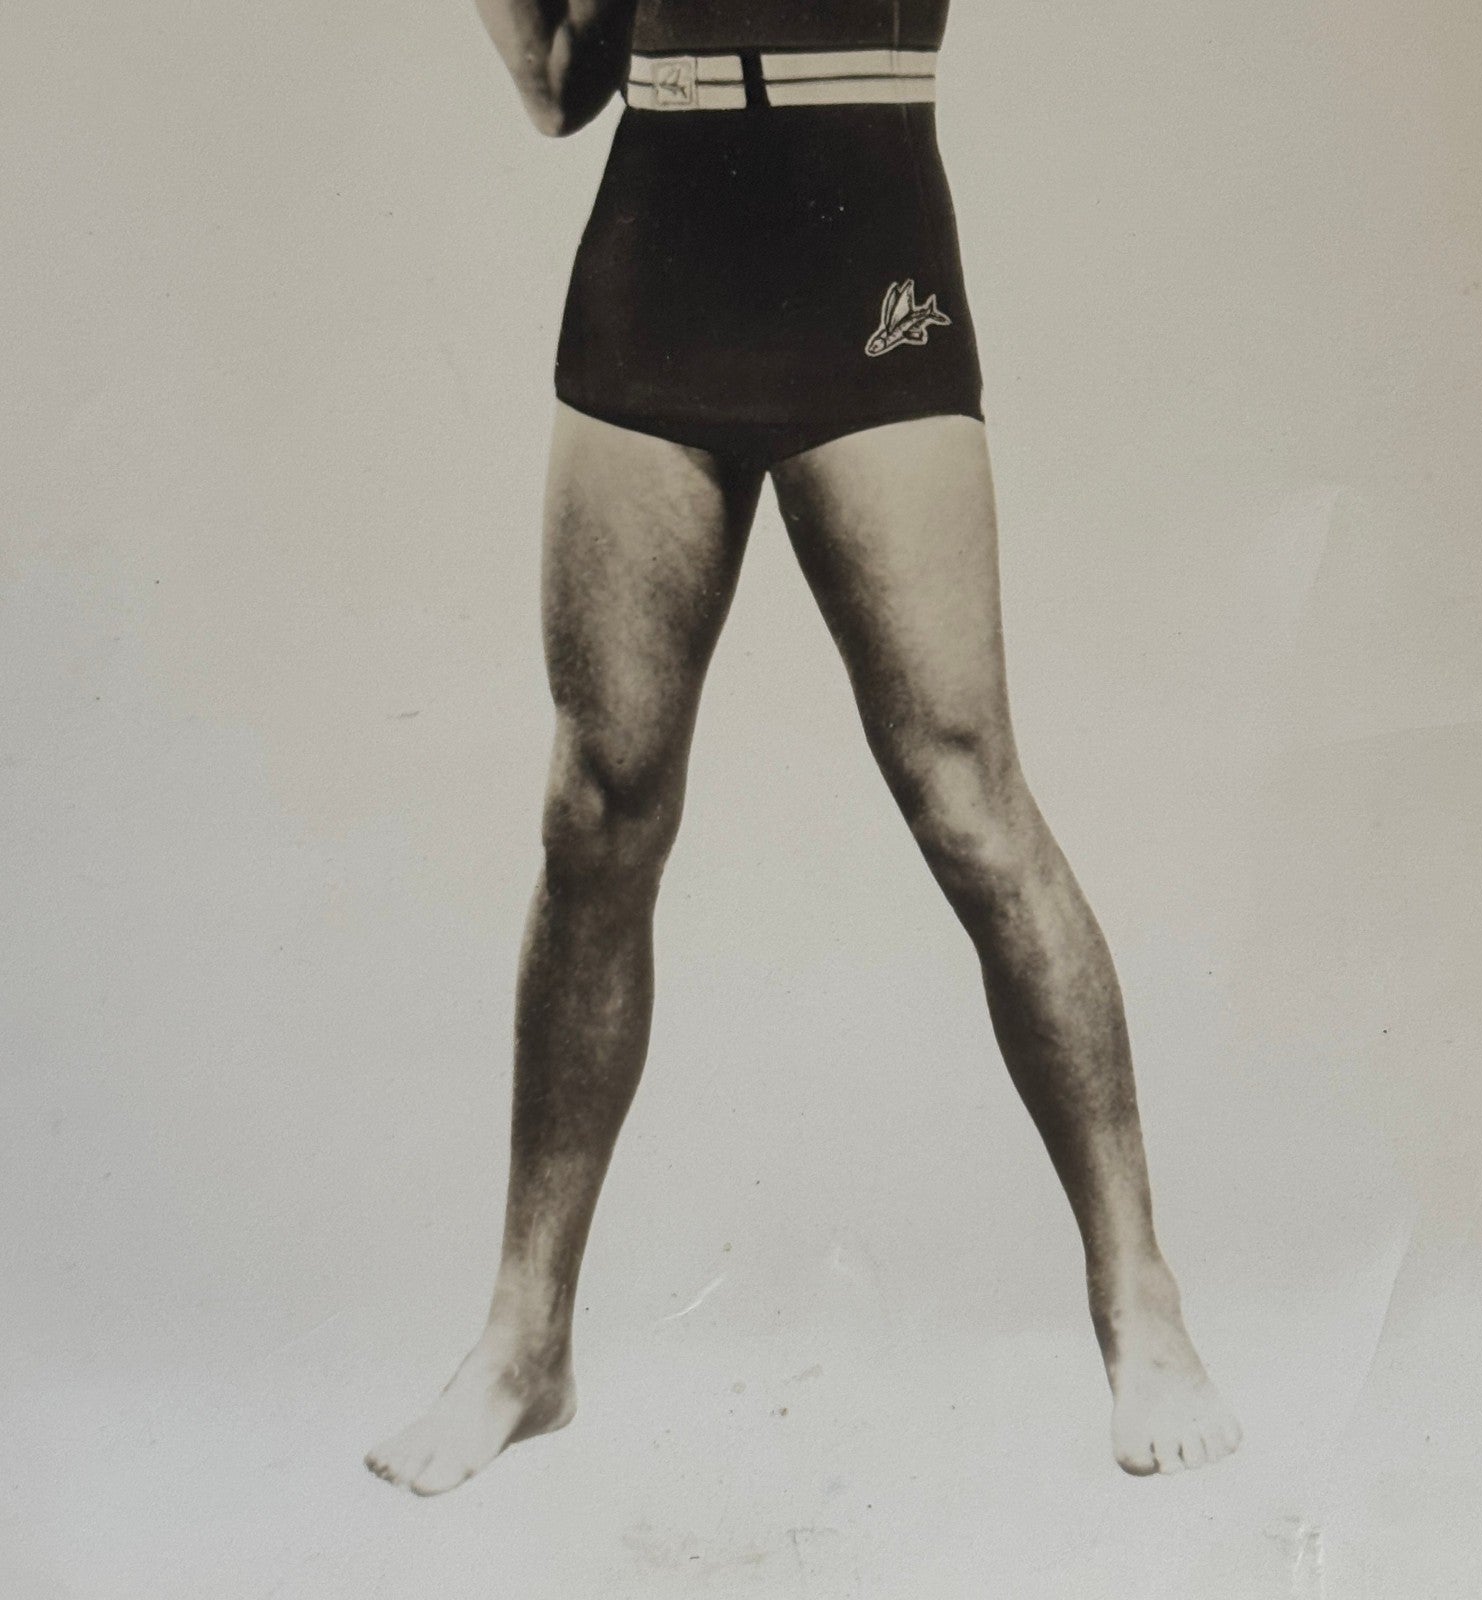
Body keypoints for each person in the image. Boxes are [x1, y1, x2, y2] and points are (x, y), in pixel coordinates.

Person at [365, 0, 1241, 1496]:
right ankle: (526, 1345)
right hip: (661, 252)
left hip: (861, 243)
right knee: (597, 810)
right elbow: (562, 86)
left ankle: (1141, 1306)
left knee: (970, 800)